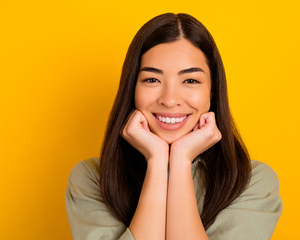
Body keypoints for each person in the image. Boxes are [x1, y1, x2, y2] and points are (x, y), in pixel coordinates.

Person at [65, 13, 282, 240]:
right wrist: (157, 160)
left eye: (190, 81)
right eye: (152, 80)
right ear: (132, 89)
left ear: (212, 89)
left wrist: (180, 159)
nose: (169, 99)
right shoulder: (91, 179)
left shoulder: (252, 182)